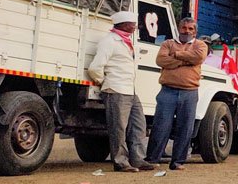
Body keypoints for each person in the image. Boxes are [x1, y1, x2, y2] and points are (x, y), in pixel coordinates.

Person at [87, 11, 156, 172]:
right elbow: (95, 67)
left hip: (129, 90)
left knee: (139, 125)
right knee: (118, 128)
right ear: (123, 24)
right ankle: (120, 161)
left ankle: (138, 159)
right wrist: (104, 81)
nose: (135, 26)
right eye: (132, 24)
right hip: (116, 89)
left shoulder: (124, 41)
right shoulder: (109, 41)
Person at [146, 15, 208, 171]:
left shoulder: (200, 45)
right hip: (168, 90)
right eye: (184, 28)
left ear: (195, 32)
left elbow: (198, 57)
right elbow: (161, 61)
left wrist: (177, 55)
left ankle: (178, 162)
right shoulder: (168, 43)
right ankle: (153, 159)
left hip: (190, 92)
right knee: (161, 125)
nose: (186, 31)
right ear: (179, 29)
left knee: (185, 127)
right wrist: (187, 60)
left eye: (190, 29)